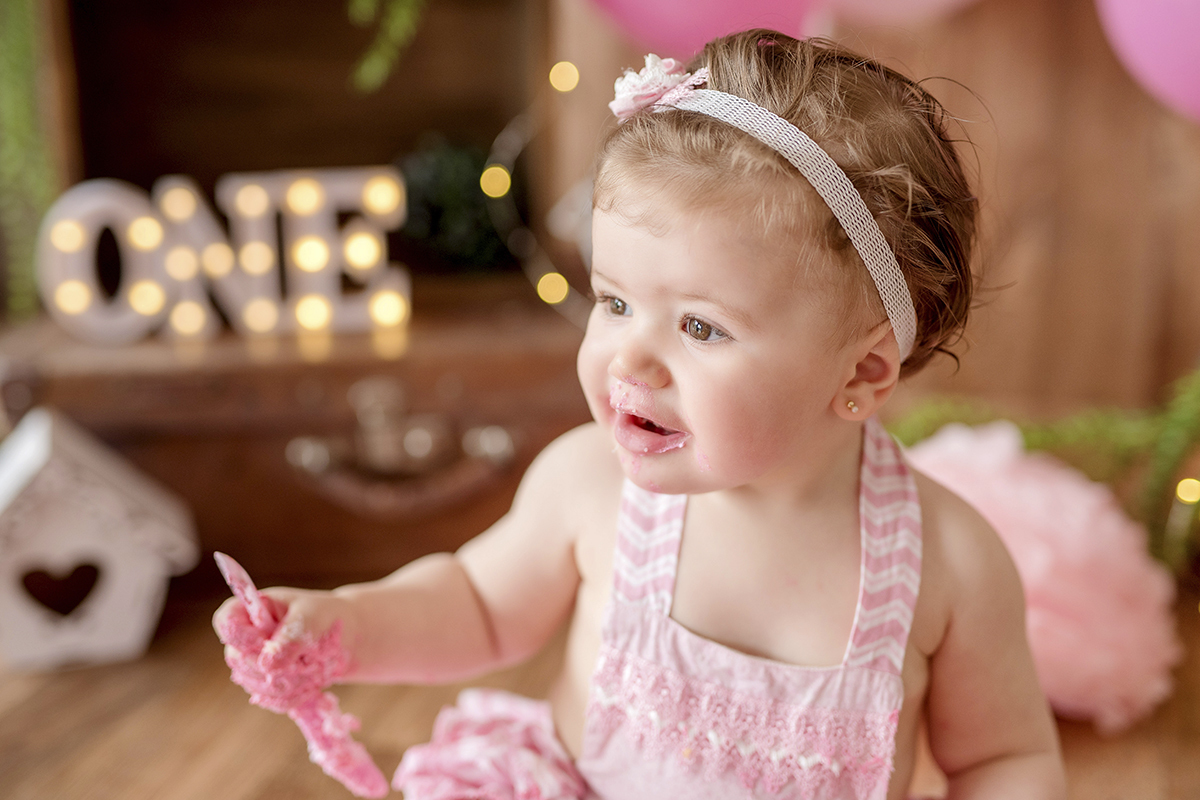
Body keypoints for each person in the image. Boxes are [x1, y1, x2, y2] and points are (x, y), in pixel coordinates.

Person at [215, 31, 1066, 799]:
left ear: (864, 369)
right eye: (614, 302)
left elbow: (1004, 759)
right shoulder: (588, 484)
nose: (631, 359)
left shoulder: (951, 564)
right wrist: (346, 626)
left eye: (700, 327)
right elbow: (477, 604)